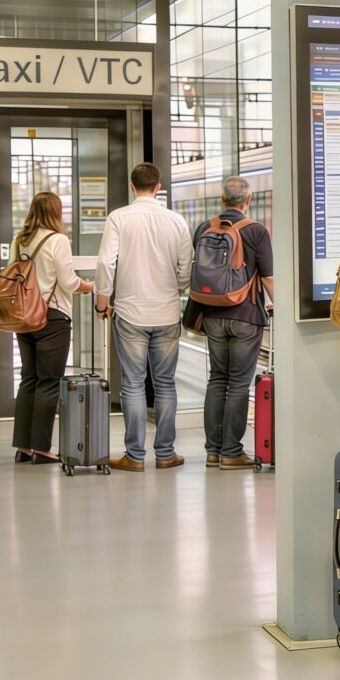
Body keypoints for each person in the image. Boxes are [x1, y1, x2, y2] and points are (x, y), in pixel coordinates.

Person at [95, 162, 193, 472]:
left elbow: (106, 262)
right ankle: (165, 453)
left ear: (132, 186)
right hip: (166, 312)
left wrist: (102, 300)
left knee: (133, 384)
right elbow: (186, 266)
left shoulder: (119, 218)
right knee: (165, 384)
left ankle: (134, 456)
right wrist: (175, 289)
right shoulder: (176, 221)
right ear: (158, 185)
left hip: (130, 312)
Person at [193, 177, 274, 470]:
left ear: (222, 198)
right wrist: (277, 304)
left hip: (212, 314)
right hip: (245, 315)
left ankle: (213, 452)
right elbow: (268, 276)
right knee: (238, 383)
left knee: (217, 379)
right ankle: (232, 452)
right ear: (248, 198)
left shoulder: (204, 227)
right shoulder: (256, 231)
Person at [10, 192, 94, 464]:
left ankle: (23, 447)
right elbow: (69, 282)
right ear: (56, 212)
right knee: (48, 382)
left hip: (24, 317)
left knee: (29, 380)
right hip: (53, 317)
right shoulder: (58, 240)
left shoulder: (19, 239)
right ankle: (42, 449)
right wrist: (91, 286)